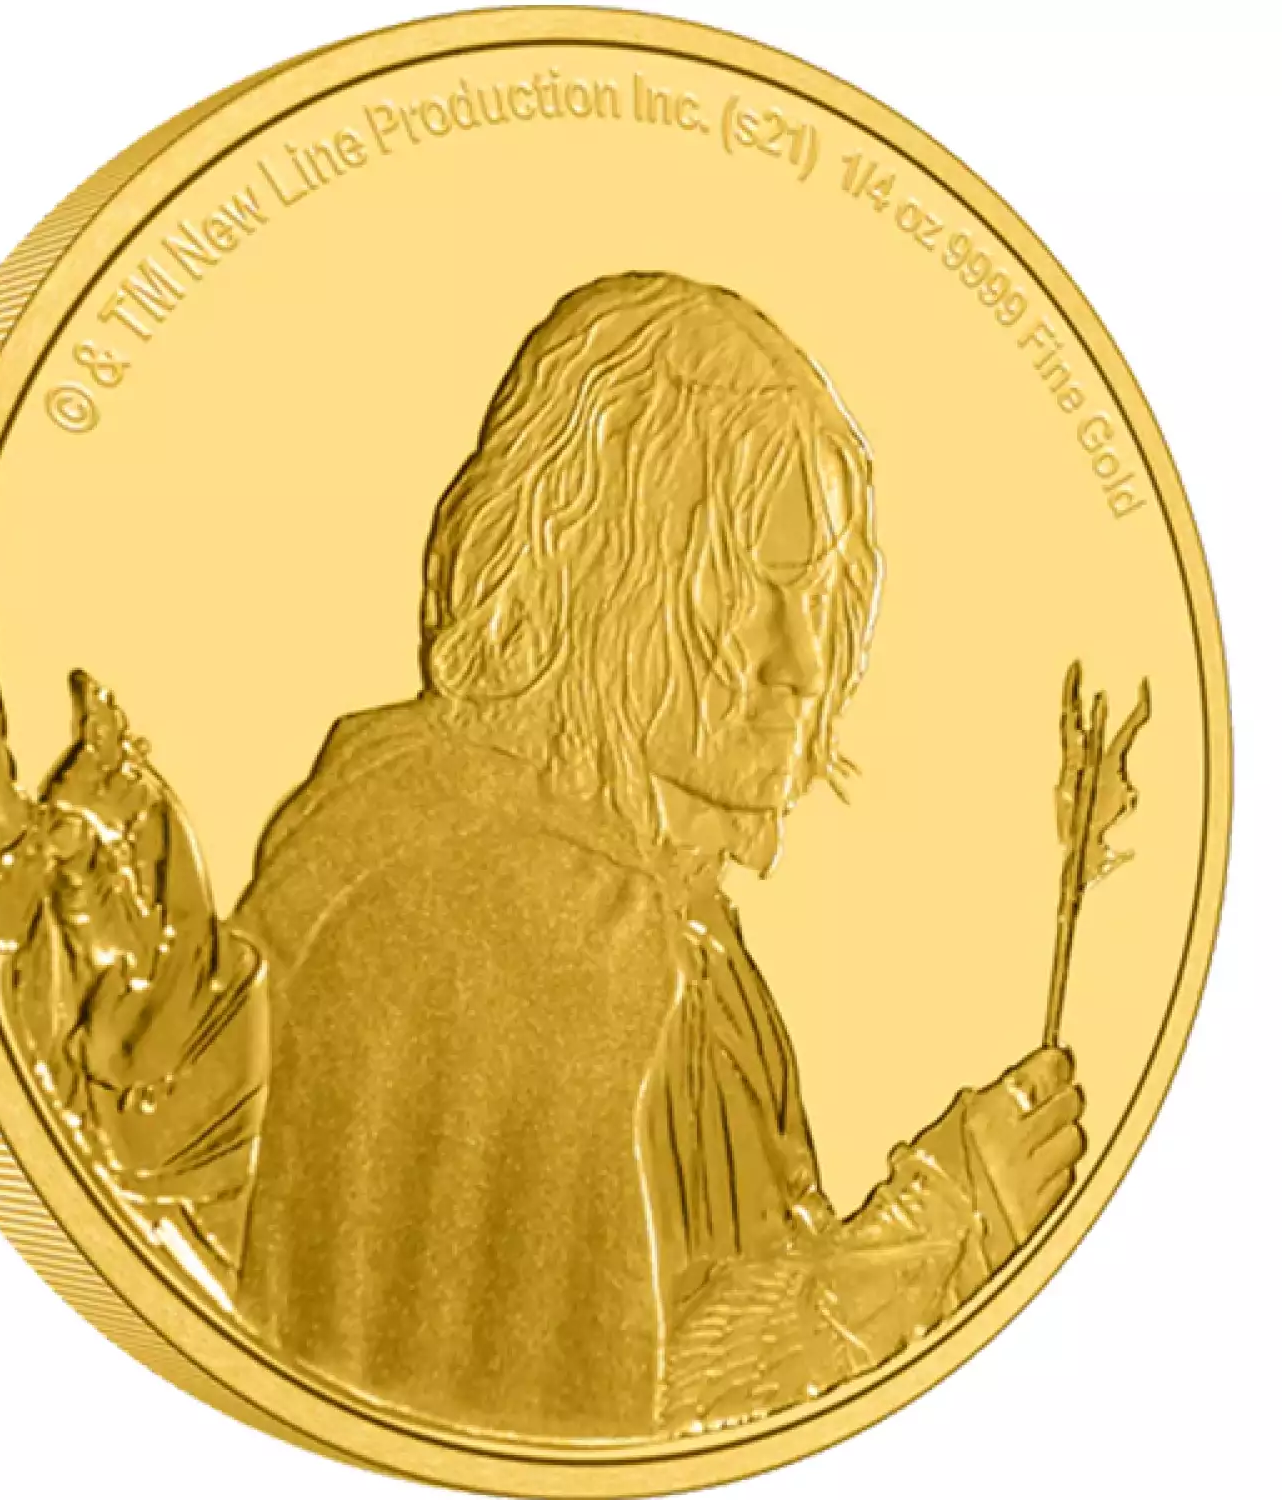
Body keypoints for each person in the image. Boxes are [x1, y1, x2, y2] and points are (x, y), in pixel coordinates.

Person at [220, 272, 1088, 1438]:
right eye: (753, 590)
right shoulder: (479, 908)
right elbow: (567, 1435)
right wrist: (927, 1235)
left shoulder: (667, 922)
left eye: (824, 601)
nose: (804, 664)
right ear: (604, 579)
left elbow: (681, 1353)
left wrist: (939, 1226)